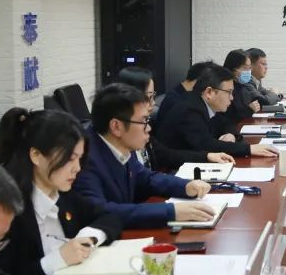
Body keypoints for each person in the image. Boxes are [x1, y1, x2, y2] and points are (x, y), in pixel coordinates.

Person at [0, 109, 123, 275]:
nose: (77, 168)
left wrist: (89, 237)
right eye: (70, 159)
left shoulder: (64, 195)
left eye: (79, 158)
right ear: (36, 155)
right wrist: (56, 260)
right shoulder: (7, 212)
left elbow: (110, 217)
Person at [71, 83, 216, 229]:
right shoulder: (83, 159)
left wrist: (185, 186)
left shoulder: (121, 145)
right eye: (143, 121)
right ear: (116, 126)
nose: (149, 128)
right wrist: (171, 211)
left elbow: (145, 177)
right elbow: (101, 212)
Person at [116, 66, 235, 171]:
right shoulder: (121, 139)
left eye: (153, 96)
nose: (153, 103)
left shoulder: (142, 127)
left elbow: (166, 155)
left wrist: (207, 157)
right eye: (149, 97)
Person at [152, 64, 278, 159]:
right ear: (209, 92)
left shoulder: (205, 104)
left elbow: (226, 122)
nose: (232, 98)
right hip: (174, 171)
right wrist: (249, 149)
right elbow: (206, 145)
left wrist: (231, 134)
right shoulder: (189, 109)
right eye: (229, 92)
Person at [222, 49, 262, 121]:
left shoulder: (242, 85)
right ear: (233, 69)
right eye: (245, 68)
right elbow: (226, 116)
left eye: (249, 68)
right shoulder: (223, 87)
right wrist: (249, 110)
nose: (248, 71)